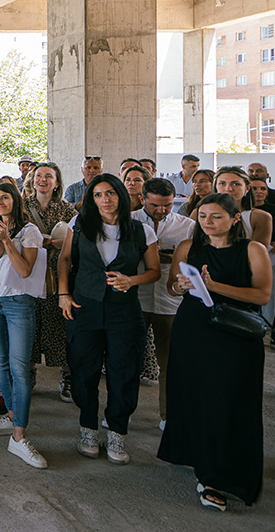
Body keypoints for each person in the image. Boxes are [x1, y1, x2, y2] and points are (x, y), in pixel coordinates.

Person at [157, 193, 270, 511]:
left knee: (229, 400)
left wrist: (214, 286)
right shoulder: (187, 247)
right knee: (193, 395)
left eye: (216, 216)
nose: (207, 222)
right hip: (193, 329)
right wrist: (181, 286)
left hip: (235, 333)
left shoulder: (253, 249)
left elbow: (262, 295)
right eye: (203, 216)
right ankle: (204, 466)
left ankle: (221, 473)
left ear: (235, 219)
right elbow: (172, 288)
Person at [58, 174, 160, 464]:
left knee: (124, 371)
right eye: (98, 194)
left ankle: (117, 431)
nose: (105, 199)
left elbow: (154, 271)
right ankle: (88, 429)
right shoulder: (79, 224)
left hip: (124, 311)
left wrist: (132, 280)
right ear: (91, 199)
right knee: (83, 368)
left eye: (111, 193)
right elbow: (65, 259)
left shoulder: (141, 230)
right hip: (84, 306)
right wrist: (63, 293)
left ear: (121, 196)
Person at [0, 183, 49, 469]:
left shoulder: (29, 231)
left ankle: (19, 436)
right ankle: (10, 416)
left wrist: (7, 242)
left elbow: (25, 270)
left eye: (4, 197)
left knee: (20, 369)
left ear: (15, 200)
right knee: (1, 364)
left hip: (18, 302)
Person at [134, 178, 194, 428]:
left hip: (171, 303)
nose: (161, 210)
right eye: (155, 205)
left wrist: (173, 258)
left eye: (167, 205)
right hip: (134, 300)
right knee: (127, 361)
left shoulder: (188, 226)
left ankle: (168, 416)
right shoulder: (128, 221)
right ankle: (120, 412)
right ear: (142, 199)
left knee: (171, 364)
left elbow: (193, 261)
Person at [22, 162, 78, 405]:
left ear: (57, 183)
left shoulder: (67, 210)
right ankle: (28, 374)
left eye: (48, 176)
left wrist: (62, 244)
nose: (42, 180)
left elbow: (78, 241)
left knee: (62, 327)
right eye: (38, 176)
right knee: (29, 327)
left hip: (58, 276)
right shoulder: (22, 207)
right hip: (29, 273)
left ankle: (68, 377)